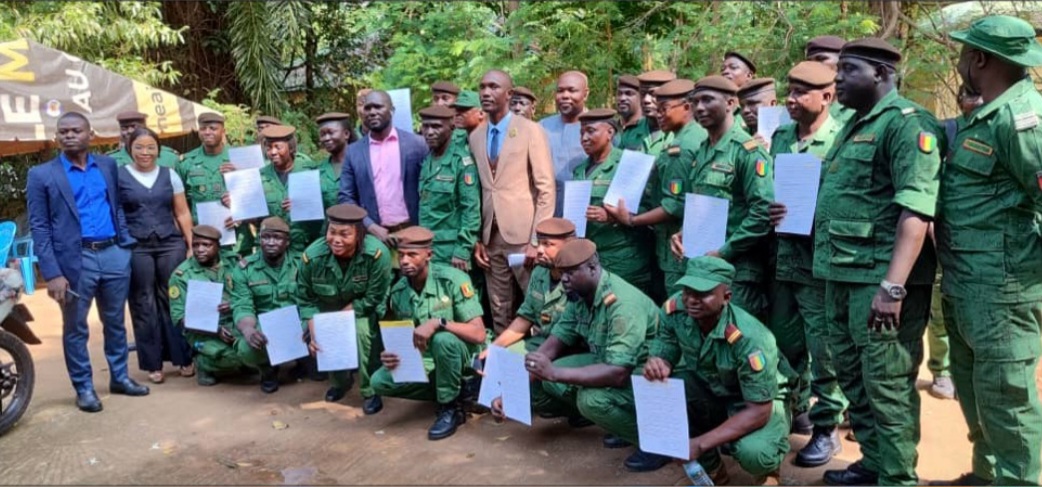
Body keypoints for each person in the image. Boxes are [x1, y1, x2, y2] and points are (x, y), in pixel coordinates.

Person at [813, 38, 942, 486]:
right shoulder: (853, 125)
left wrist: (892, 288)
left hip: (879, 283)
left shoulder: (908, 124)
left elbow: (916, 211)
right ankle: (876, 463)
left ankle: (897, 477)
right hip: (841, 276)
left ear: (881, 74)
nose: (838, 78)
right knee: (853, 378)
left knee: (887, 386)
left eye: (848, 70)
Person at [931, 16, 1042, 486]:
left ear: (979, 59)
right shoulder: (988, 114)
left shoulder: (1022, 120)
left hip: (1002, 292)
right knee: (977, 395)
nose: (958, 61)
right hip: (966, 285)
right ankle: (986, 474)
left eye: (962, 52)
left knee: (1009, 404)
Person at [27, 111, 149, 412]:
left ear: (90, 134)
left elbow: (116, 206)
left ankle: (119, 377)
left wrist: (125, 246)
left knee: (116, 323)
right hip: (74, 260)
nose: (69, 135)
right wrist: (52, 273)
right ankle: (84, 388)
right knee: (76, 328)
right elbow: (39, 227)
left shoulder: (107, 165)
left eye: (76, 130)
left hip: (113, 254)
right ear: (57, 137)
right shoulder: (42, 175)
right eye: (63, 131)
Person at [517, 239, 664, 472]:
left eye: (571, 273)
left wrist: (554, 372)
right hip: (611, 361)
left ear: (593, 269)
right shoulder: (579, 294)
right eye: (562, 273)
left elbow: (618, 373)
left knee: (591, 400)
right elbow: (553, 343)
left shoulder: (622, 304)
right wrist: (511, 394)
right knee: (545, 375)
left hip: (650, 374)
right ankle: (622, 426)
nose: (564, 279)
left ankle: (658, 443)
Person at [764, 61, 847, 467]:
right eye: (790, 91)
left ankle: (828, 427)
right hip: (785, 260)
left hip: (821, 263)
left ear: (827, 97)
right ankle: (797, 410)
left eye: (801, 93)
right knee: (784, 343)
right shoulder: (780, 135)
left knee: (824, 348)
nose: (791, 100)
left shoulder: (840, 138)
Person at [647, 257, 790, 484]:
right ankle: (711, 471)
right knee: (660, 387)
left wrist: (701, 443)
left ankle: (768, 472)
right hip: (712, 388)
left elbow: (759, 411)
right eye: (687, 291)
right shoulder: (675, 309)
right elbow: (666, 342)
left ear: (726, 297)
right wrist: (659, 361)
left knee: (755, 454)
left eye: (703, 294)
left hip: (757, 399)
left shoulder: (750, 338)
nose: (691, 300)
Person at [667, 75, 774, 321]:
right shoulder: (703, 149)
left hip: (737, 271)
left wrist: (724, 251)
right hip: (703, 267)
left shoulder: (747, 151)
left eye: (707, 100)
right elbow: (702, 204)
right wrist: (684, 232)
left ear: (731, 103)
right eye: (694, 102)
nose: (699, 108)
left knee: (737, 337)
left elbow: (762, 213)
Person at [371, 226, 487, 440]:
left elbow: (478, 334)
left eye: (412, 255)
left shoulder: (453, 280)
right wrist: (392, 355)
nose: (405, 261)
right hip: (430, 359)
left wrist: (439, 322)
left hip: (465, 355)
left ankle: (450, 408)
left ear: (429, 255)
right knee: (379, 381)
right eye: (401, 254)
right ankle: (458, 391)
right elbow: (408, 341)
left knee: (443, 340)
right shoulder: (399, 292)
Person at [469, 69, 555, 335]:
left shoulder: (530, 130)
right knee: (499, 307)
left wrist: (535, 241)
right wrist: (478, 238)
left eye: (493, 87)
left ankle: (543, 368)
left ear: (508, 94)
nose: (485, 92)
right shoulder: (475, 136)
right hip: (490, 237)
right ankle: (504, 368)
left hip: (523, 238)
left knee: (538, 304)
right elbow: (480, 191)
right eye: (482, 87)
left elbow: (546, 188)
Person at [604, 79, 707, 298]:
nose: (658, 114)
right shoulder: (692, 137)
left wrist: (631, 220)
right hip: (685, 239)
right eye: (656, 109)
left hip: (678, 245)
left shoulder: (681, 147)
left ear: (687, 108)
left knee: (681, 305)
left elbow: (673, 205)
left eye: (664, 109)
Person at [117, 126, 195, 384]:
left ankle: (183, 358)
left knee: (173, 298)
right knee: (142, 301)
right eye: (139, 147)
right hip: (136, 246)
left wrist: (191, 243)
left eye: (151, 147)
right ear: (129, 150)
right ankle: (153, 363)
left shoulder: (169, 175)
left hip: (169, 243)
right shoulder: (119, 177)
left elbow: (182, 212)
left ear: (158, 150)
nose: (145, 152)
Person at [298, 204, 392, 414]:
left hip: (364, 307)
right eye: (332, 232)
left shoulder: (377, 254)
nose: (336, 239)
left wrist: (342, 318)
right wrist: (315, 333)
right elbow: (306, 300)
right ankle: (340, 382)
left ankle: (370, 389)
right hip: (327, 307)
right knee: (325, 333)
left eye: (344, 234)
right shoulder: (312, 257)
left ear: (359, 235)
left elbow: (374, 297)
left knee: (361, 332)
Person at [926, 84, 982, 402]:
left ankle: (969, 372)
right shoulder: (946, 130)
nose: (976, 101)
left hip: (979, 241)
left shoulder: (999, 131)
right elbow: (928, 178)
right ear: (960, 99)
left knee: (972, 310)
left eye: (980, 95)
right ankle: (942, 370)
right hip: (942, 234)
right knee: (940, 307)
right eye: (969, 95)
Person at [573, 108, 652, 289]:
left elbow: (648, 209)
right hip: (591, 258)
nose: (584, 138)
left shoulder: (629, 164)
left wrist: (612, 217)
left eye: (590, 131)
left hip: (624, 258)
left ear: (609, 132)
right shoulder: (579, 170)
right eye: (581, 133)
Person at [339, 90, 429, 245]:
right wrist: (370, 225)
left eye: (378, 107)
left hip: (414, 233)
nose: (372, 112)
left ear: (392, 110)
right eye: (368, 108)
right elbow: (346, 197)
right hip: (373, 237)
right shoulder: (353, 152)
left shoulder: (417, 145)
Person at [229, 217, 301, 393]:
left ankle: (304, 362)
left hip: (298, 322)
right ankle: (267, 368)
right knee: (246, 348)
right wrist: (248, 330)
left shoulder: (302, 263)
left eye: (277, 238)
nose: (270, 242)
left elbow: (311, 299)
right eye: (265, 237)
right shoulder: (244, 268)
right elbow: (243, 305)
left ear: (287, 241)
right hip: (266, 326)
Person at [482, 218, 576, 354]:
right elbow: (525, 318)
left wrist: (536, 360)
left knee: (535, 370)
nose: (539, 250)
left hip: (571, 348)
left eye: (548, 244)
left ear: (568, 247)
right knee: (502, 359)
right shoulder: (539, 272)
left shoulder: (579, 278)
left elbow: (570, 334)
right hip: (542, 341)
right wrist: (493, 349)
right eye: (538, 243)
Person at [168, 225, 244, 386]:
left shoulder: (234, 262)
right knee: (237, 357)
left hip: (237, 319)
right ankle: (204, 363)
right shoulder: (181, 275)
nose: (200, 250)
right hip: (203, 330)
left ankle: (247, 362)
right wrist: (216, 331)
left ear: (218, 246)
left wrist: (235, 304)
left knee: (258, 348)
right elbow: (181, 318)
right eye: (195, 245)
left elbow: (250, 293)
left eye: (206, 245)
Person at [256, 125, 338, 253]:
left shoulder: (310, 170)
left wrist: (303, 206)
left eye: (278, 147)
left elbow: (327, 207)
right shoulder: (261, 176)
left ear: (291, 148)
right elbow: (255, 217)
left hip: (306, 246)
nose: (273, 152)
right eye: (269, 148)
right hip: (274, 249)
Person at [416, 105, 480, 270]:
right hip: (428, 246)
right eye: (426, 126)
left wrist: (462, 249)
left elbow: (471, 211)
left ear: (451, 127)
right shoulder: (428, 160)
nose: (429, 132)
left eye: (436, 126)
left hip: (452, 251)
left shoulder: (461, 162)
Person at [176, 112, 247, 258]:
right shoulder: (186, 162)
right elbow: (180, 205)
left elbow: (256, 197)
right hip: (201, 238)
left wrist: (241, 174)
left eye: (213, 128)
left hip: (236, 237)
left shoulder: (240, 158)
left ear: (223, 131)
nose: (207, 132)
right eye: (203, 128)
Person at [540, 70, 590, 217]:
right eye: (560, 91)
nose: (565, 96)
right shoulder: (542, 127)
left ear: (585, 94)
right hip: (550, 209)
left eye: (572, 90)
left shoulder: (600, 126)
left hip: (586, 209)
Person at [804, 36, 854, 125]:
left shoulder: (859, 105)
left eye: (821, 59)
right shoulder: (804, 105)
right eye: (809, 61)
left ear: (842, 61)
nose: (813, 65)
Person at [107, 111, 180, 168]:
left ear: (145, 127)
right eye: (124, 128)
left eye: (134, 127)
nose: (129, 131)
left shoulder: (169, 157)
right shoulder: (111, 160)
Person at [637, 69, 677, 156]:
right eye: (643, 94)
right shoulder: (631, 132)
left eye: (653, 94)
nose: (646, 100)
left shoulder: (679, 133)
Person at [316, 111, 359, 179]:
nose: (326, 138)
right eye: (322, 134)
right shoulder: (318, 171)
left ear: (346, 134)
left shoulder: (361, 164)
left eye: (331, 133)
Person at [615, 75, 648, 151]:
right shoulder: (612, 128)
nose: (622, 98)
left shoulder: (647, 129)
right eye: (619, 93)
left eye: (628, 94)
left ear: (641, 97)